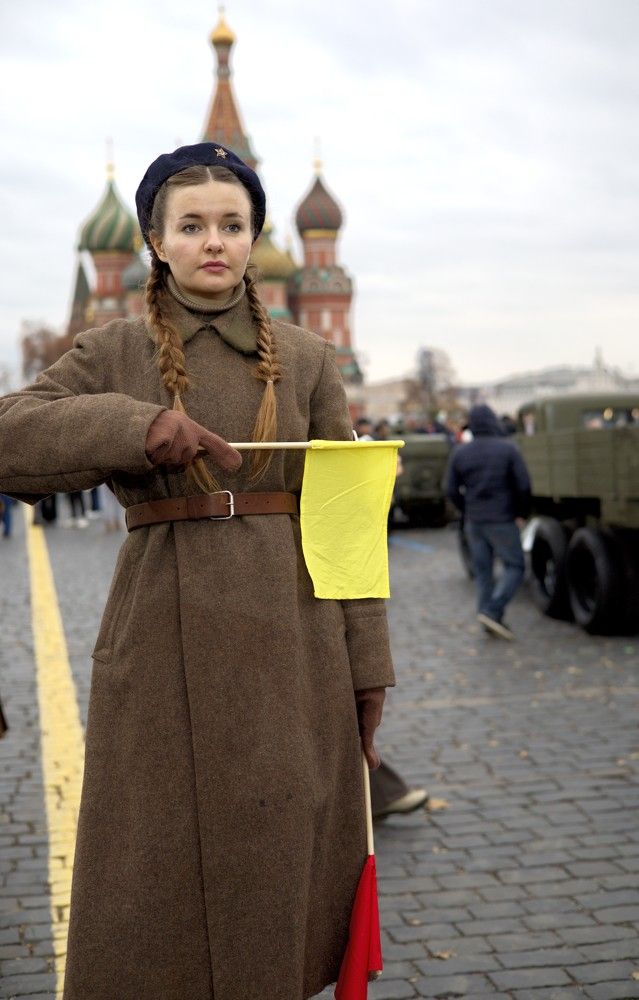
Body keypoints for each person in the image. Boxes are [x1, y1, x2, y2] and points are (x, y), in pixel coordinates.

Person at [0, 142, 396, 1000]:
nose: (213, 241)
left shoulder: (308, 357)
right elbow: (8, 434)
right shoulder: (113, 348)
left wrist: (367, 664)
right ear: (155, 240)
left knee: (277, 861)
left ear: (255, 237)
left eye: (232, 224)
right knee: (153, 863)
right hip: (159, 635)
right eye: (190, 226)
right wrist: (133, 427)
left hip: (294, 638)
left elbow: (347, 523)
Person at [446, 403, 531, 640]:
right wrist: (521, 513)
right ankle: (493, 612)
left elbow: (450, 489)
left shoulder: (460, 452)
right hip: (502, 518)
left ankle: (488, 618)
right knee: (515, 566)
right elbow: (523, 485)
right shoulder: (508, 449)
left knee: (483, 572)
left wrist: (466, 510)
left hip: (474, 521)